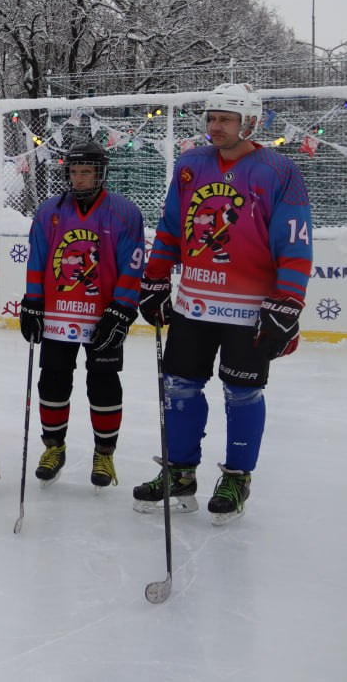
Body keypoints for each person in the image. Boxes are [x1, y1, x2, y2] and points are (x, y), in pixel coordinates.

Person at [134, 83, 313, 525]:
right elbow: (171, 227)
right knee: (179, 386)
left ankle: (236, 478)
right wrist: (155, 279)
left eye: (225, 119)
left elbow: (295, 244)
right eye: (211, 118)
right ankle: (180, 472)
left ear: (249, 122)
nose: (215, 126)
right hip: (194, 304)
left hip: (249, 309)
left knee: (243, 392)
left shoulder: (279, 170)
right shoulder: (190, 164)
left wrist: (287, 303)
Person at [19, 141, 146, 489]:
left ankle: (104, 454)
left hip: (103, 316)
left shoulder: (125, 213)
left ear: (101, 173)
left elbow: (132, 265)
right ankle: (53, 448)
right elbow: (37, 259)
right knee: (52, 381)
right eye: (74, 172)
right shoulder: (49, 211)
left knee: (103, 384)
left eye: (86, 171)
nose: (79, 178)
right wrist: (32, 302)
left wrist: (122, 308)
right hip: (59, 316)